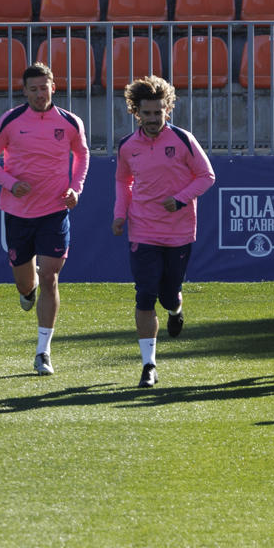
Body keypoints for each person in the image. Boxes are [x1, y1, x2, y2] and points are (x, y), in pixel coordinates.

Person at [0, 62, 90, 375]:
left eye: (45, 87)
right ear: (24, 91)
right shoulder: (11, 120)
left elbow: (82, 155)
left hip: (55, 210)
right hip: (18, 213)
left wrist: (75, 188)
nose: (40, 94)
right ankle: (26, 293)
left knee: (50, 277)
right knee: (26, 282)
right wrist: (11, 183)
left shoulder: (69, 122)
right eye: (33, 89)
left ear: (53, 86)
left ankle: (43, 351)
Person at [113, 75, 215, 387]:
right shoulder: (128, 147)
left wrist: (181, 199)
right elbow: (123, 181)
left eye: (159, 112)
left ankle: (176, 308)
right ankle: (148, 365)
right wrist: (120, 214)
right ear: (137, 113)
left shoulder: (183, 140)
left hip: (178, 232)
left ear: (167, 110)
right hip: (142, 230)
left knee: (169, 294)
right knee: (145, 295)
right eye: (147, 113)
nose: (154, 119)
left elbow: (206, 176)